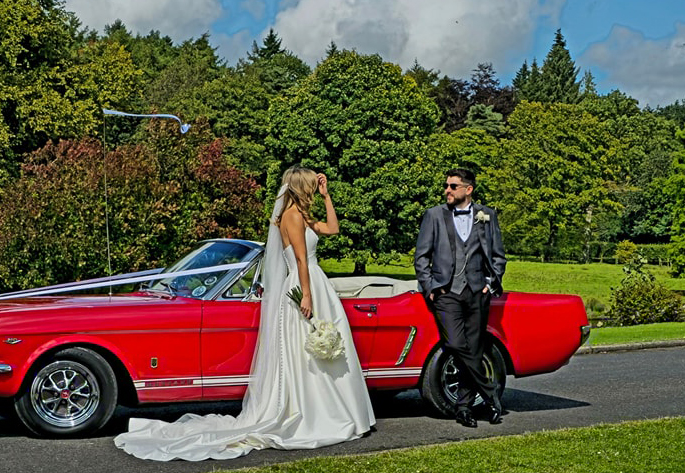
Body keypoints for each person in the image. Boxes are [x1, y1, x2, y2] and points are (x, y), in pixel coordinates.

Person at [114, 165, 375, 460]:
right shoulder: (290, 216)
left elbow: (333, 229)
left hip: (314, 283)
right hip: (305, 286)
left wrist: (328, 197)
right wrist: (308, 297)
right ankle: (311, 413)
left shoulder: (303, 215)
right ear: (302, 186)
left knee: (321, 352)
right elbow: (301, 260)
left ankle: (332, 410)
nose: (316, 189)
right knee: (306, 354)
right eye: (314, 185)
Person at [414, 168, 506, 428]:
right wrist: (429, 286)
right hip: (446, 293)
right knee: (455, 344)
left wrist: (491, 282)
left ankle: (464, 407)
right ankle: (491, 395)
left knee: (475, 350)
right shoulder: (434, 215)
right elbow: (421, 256)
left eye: (453, 186)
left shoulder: (487, 215)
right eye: (447, 186)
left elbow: (498, 255)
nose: (447, 190)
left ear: (468, 189)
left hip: (478, 292)